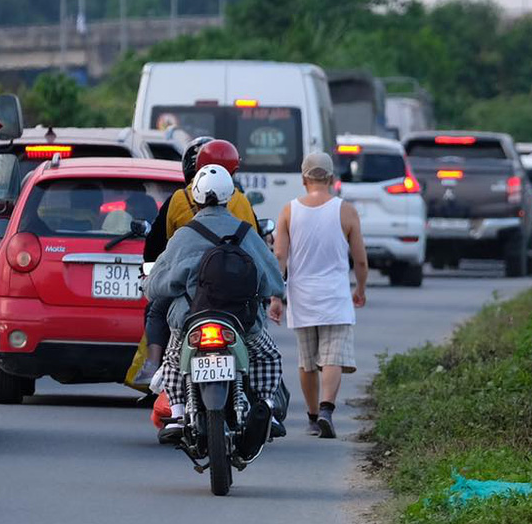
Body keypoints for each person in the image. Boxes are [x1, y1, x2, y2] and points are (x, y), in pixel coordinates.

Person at [147, 163, 287, 447]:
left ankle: (176, 413)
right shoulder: (247, 233)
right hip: (241, 323)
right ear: (229, 196)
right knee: (268, 356)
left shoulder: (184, 235)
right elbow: (273, 280)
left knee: (174, 359)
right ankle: (266, 408)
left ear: (195, 198)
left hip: (190, 322)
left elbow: (158, 285)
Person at [136, 137, 257, 387]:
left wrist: (153, 282)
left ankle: (152, 367)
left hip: (188, 293)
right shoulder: (242, 202)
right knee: (263, 348)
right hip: (237, 292)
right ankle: (265, 397)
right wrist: (272, 292)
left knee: (158, 312)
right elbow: (256, 252)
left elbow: (160, 248)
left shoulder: (179, 201)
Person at [272, 150, 368, 438]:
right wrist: (360, 287)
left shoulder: (289, 210)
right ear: (331, 178)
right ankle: (327, 409)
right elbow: (360, 259)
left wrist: (277, 296)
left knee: (307, 361)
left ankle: (313, 417)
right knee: (332, 357)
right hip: (335, 297)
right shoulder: (346, 210)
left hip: (301, 297)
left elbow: (279, 256)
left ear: (304, 178)